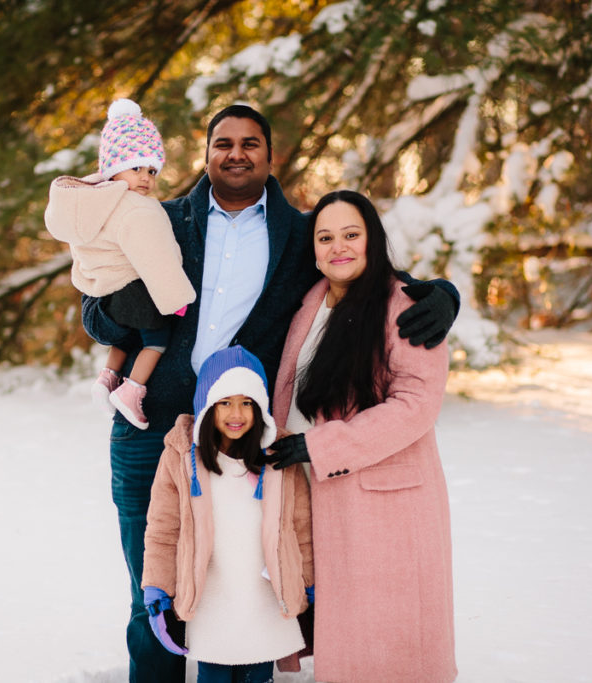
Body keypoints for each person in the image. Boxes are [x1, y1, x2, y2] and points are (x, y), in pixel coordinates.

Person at [80, 103, 459, 683]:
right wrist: (126, 306)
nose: (236, 153)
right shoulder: (157, 219)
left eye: (250, 142)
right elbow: (95, 311)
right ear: (204, 153)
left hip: (245, 440)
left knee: (242, 585)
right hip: (152, 427)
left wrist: (441, 294)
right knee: (154, 588)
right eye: (223, 142)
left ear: (270, 154)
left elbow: (361, 265)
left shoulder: (302, 234)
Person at [262, 189, 457, 682]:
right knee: (344, 634)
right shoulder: (311, 300)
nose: (338, 247)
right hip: (315, 488)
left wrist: (320, 445)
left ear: (373, 238)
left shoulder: (404, 306)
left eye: (351, 234)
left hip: (385, 501)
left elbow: (416, 406)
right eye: (325, 237)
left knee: (386, 644)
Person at [141, 345, 313, 683]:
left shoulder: (280, 458)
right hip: (212, 596)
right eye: (225, 402)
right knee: (214, 673)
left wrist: (307, 582)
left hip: (262, 597)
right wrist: (158, 588)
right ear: (207, 406)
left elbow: (301, 527)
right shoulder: (181, 458)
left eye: (247, 403)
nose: (237, 413)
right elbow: (162, 529)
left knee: (257, 672)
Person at [45, 98, 195, 430]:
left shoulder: (89, 202)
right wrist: (178, 302)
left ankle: (108, 376)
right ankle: (132, 390)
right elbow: (158, 259)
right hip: (134, 289)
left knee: (127, 336)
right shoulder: (138, 209)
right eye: (136, 168)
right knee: (156, 339)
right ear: (114, 168)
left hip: (104, 294)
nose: (146, 179)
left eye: (152, 170)